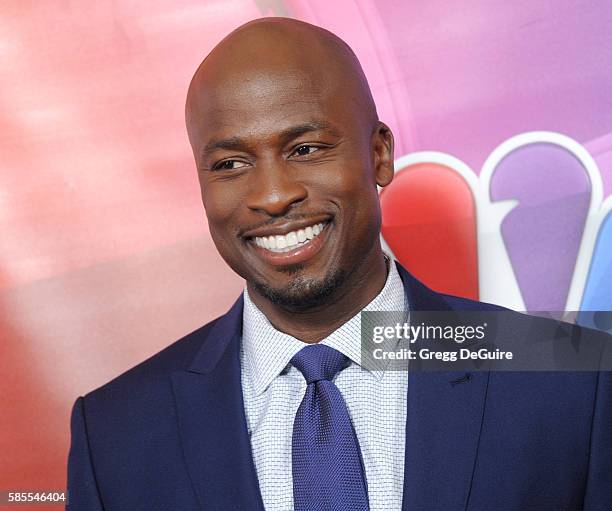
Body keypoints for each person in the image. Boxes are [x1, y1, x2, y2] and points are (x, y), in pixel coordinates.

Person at [66, 17, 611, 511]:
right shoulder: (115, 434)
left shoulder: (569, 384)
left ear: (379, 154)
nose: (274, 195)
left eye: (305, 149)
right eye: (231, 164)